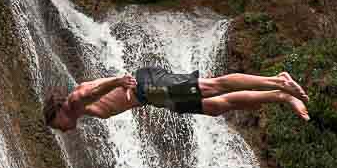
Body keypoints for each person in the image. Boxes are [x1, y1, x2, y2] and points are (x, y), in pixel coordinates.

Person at [43, 68, 311, 132]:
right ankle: (279, 95)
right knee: (215, 107)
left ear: (58, 113)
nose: (62, 130)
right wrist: (115, 82)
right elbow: (91, 90)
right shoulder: (78, 106)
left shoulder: (74, 103)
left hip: (147, 88)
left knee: (210, 86)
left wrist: (117, 82)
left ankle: (278, 81)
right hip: (151, 96)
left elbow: (88, 93)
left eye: (57, 126)